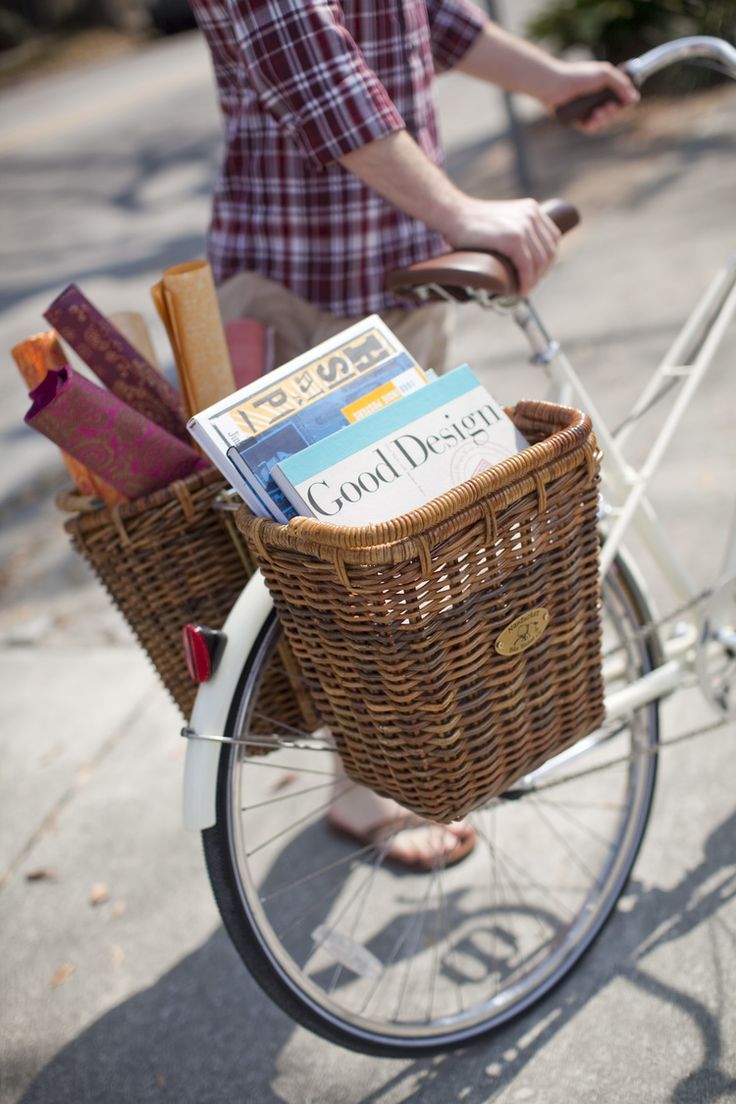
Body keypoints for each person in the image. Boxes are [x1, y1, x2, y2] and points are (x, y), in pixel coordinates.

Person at [189, 0, 638, 866]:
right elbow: (308, 57)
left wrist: (555, 80)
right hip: (299, 277)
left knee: (407, 547)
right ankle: (365, 791)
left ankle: (410, 764)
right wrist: (460, 211)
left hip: (399, 273)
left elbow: (426, 15)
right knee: (334, 573)